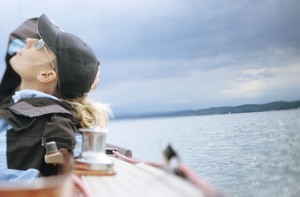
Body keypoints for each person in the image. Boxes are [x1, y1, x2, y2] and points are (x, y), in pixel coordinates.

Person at [0, 14, 110, 181]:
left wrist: (86, 68)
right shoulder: (23, 109)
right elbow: (22, 34)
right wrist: (86, 70)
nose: (29, 41)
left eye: (39, 43)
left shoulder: (42, 124)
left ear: (46, 74)